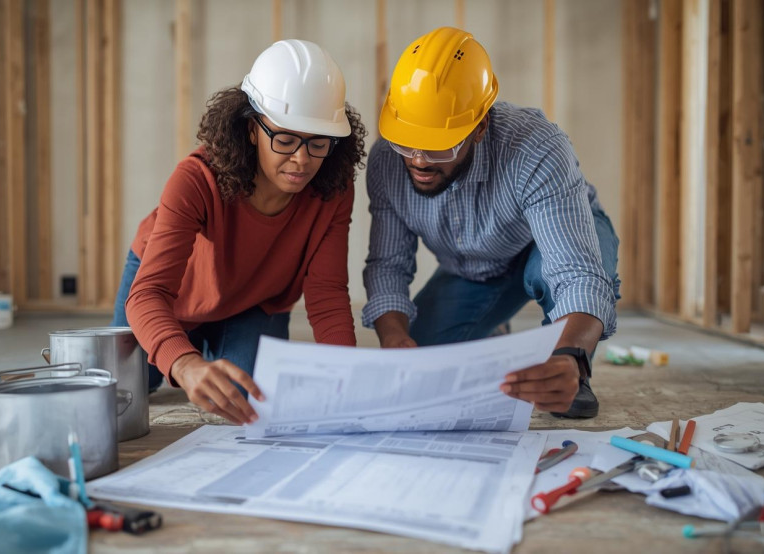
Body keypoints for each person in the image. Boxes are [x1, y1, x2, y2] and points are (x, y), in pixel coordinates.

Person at [363, 27, 620, 419]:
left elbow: (575, 270)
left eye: (437, 145)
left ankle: (569, 366)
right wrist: (395, 337)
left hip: (553, 244)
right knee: (422, 371)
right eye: (406, 140)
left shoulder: (535, 146)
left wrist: (571, 357)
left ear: (480, 126)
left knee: (554, 285)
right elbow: (388, 266)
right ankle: (495, 330)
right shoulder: (386, 162)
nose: (417, 160)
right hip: (474, 268)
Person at [112, 39, 366, 425]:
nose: (302, 159)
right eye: (285, 139)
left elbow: (327, 295)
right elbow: (148, 294)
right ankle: (192, 349)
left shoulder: (332, 187)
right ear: (252, 128)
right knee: (121, 394)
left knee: (246, 400)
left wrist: (350, 376)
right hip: (175, 294)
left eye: (318, 143)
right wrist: (185, 363)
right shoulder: (196, 179)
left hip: (253, 301)